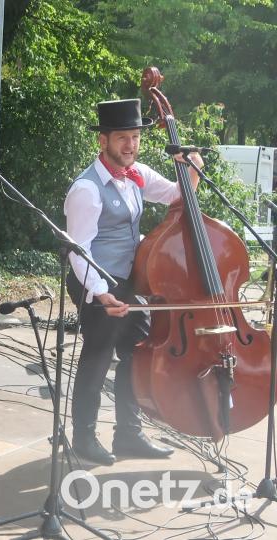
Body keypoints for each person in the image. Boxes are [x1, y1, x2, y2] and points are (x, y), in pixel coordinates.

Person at [65, 98, 202, 466]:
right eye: (122, 137)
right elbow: (79, 251)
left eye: (136, 137)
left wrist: (192, 172)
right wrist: (101, 294)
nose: (130, 145)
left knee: (137, 350)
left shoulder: (137, 174)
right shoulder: (87, 189)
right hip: (95, 280)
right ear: (103, 141)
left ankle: (128, 433)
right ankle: (84, 437)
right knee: (97, 355)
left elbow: (175, 195)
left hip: (130, 280)